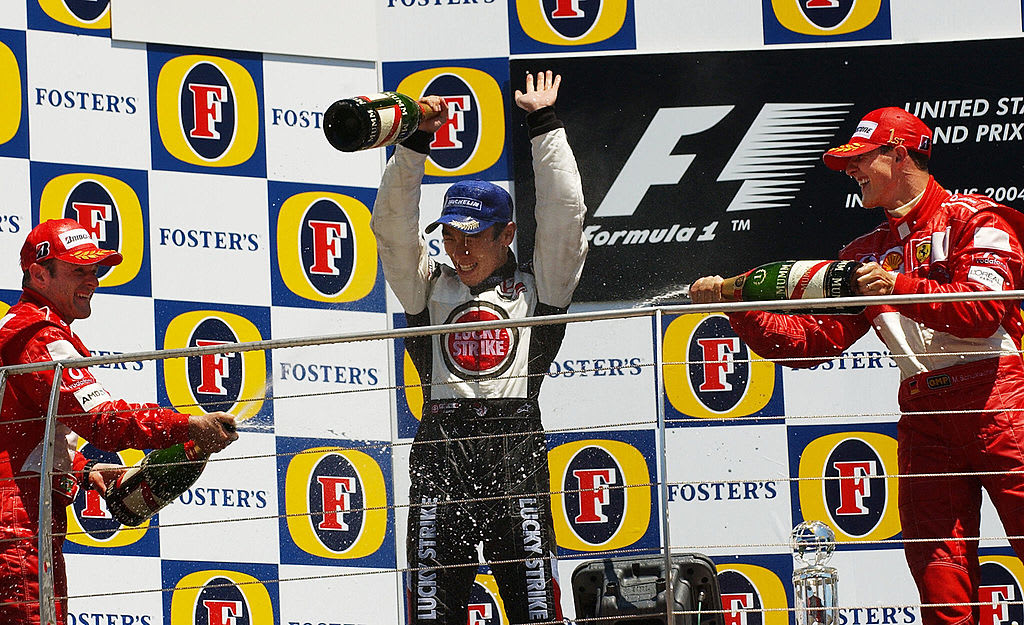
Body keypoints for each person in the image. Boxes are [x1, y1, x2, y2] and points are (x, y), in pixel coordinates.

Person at [690, 107, 1024, 625]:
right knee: (939, 572)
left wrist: (898, 286)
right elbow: (814, 343)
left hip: (1001, 400)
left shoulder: (977, 220)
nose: (852, 170)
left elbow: (982, 310)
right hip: (922, 414)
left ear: (899, 153)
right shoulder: (864, 253)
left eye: (861, 159)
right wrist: (742, 309)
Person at [370, 70, 587, 624]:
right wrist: (415, 139)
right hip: (442, 451)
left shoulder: (542, 290)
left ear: (506, 235)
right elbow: (392, 227)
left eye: (473, 237)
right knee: (430, 613)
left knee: (537, 612)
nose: (459, 250)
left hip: (516, 449)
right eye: (450, 236)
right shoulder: (428, 288)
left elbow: (563, 218)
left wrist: (544, 124)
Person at [0, 218, 238, 624]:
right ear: (39, 273)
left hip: (22, 523)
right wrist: (189, 427)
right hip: (18, 529)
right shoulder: (39, 334)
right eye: (79, 270)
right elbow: (104, 422)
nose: (92, 281)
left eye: (96, 270)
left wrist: (84, 469)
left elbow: (18, 431)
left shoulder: (22, 328)